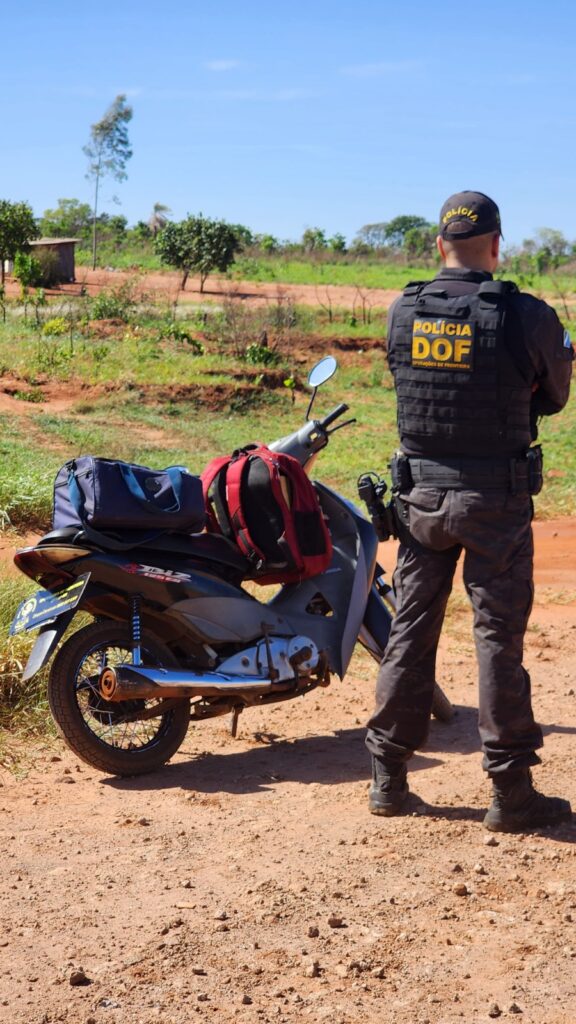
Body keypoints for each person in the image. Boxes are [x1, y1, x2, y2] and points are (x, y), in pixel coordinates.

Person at [365, 190, 573, 833]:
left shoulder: (402, 309)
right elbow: (557, 396)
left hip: (419, 499)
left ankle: (388, 778)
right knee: (497, 639)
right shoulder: (526, 315)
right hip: (495, 501)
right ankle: (510, 792)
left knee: (411, 631)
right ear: (497, 243)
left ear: (437, 245)